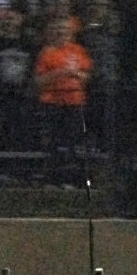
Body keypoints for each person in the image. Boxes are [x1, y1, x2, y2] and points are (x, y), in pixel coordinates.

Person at [33, 17, 92, 183]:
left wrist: (76, 74)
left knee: (73, 142)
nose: (61, 32)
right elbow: (38, 81)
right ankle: (52, 178)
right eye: (58, 29)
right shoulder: (46, 53)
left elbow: (87, 76)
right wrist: (58, 73)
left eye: (65, 30)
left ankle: (70, 178)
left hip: (75, 103)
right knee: (53, 142)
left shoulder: (78, 51)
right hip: (52, 103)